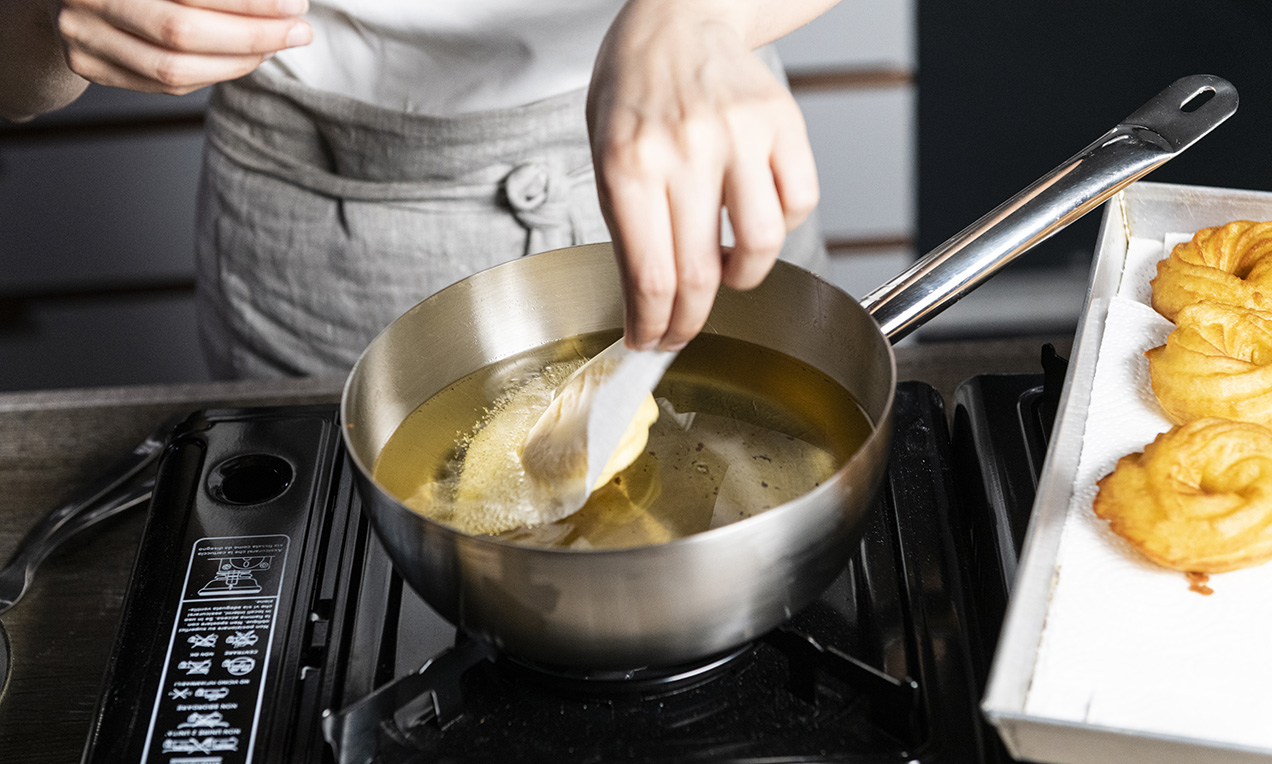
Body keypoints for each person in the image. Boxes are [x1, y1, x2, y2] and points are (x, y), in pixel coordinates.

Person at [1, 0, 837, 377]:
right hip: (322, 240)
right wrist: (47, 15)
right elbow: (15, 73)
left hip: (702, 136)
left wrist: (702, 15)